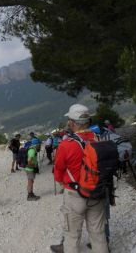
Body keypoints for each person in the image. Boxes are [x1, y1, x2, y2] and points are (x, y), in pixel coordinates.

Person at [50, 104, 109, 253]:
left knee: (72, 235)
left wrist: (61, 183)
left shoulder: (66, 144)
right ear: (88, 121)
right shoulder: (99, 139)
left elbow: (58, 170)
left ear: (71, 122)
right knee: (98, 234)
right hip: (97, 191)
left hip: (75, 194)